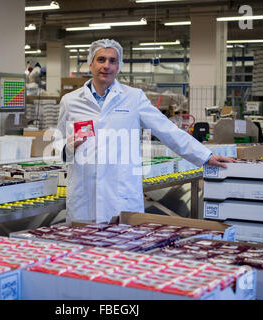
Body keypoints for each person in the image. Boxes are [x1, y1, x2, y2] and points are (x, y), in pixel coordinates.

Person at [56, 39, 233, 224]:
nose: (106, 66)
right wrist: (68, 147)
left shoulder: (133, 98)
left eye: (112, 61)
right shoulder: (70, 101)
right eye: (101, 59)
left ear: (119, 66)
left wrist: (205, 156)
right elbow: (58, 145)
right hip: (85, 197)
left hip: (120, 197)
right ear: (91, 64)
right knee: (82, 250)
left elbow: (167, 130)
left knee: (123, 250)